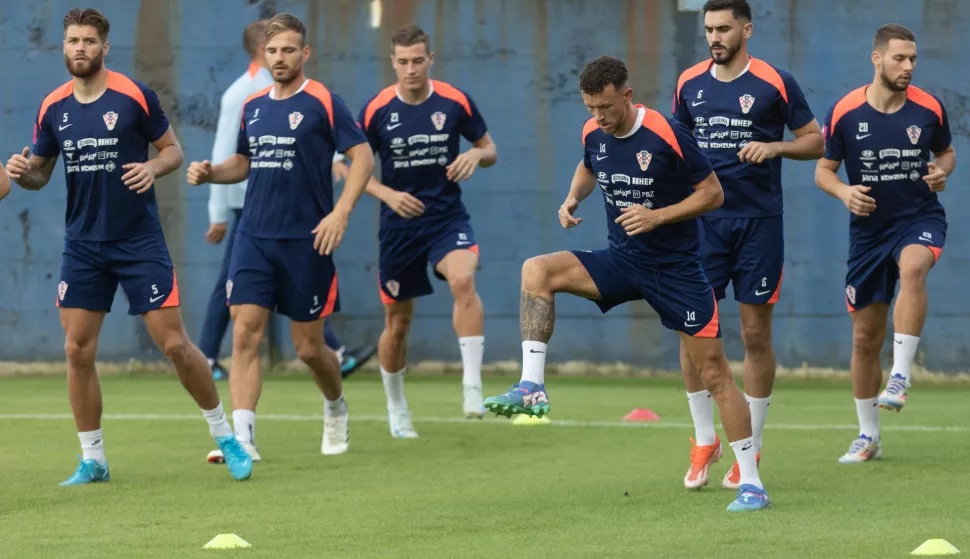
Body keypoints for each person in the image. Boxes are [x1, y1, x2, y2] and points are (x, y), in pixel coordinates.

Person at [483, 56, 770, 512]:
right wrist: (572, 198)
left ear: (627, 95)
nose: (599, 117)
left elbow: (713, 194)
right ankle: (531, 385)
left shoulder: (667, 133)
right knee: (537, 269)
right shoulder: (592, 132)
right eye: (591, 108)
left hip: (676, 272)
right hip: (622, 260)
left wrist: (658, 216)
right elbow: (589, 166)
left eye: (606, 107)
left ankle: (751, 481)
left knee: (714, 372)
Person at [3, 8, 252, 484]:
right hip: (83, 245)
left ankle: (225, 436)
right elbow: (40, 173)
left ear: (105, 47)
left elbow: (173, 151)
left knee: (176, 345)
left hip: (138, 241)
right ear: (64, 46)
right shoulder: (53, 106)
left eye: (90, 41)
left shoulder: (135, 96)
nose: (81, 48)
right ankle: (93, 459)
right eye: (73, 40)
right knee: (77, 349)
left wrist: (152, 169)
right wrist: (23, 171)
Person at [187, 13, 375, 460]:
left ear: (304, 53)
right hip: (254, 235)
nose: (280, 58)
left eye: (288, 50)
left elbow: (363, 157)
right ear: (263, 54)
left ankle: (335, 407)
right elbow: (243, 162)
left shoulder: (323, 101)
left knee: (309, 348)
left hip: (307, 241)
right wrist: (213, 173)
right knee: (245, 334)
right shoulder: (254, 105)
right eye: (272, 51)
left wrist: (340, 213)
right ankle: (243, 440)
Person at [671, 0, 824, 490]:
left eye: (723, 28)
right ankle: (703, 439)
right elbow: (676, 146)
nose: (714, 37)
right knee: (691, 331)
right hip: (703, 225)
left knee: (755, 334)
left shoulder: (776, 82)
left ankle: (750, 448)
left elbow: (815, 140)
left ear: (747, 29)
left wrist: (776, 146)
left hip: (759, 224)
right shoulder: (688, 83)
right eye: (708, 29)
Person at [815, 23, 955, 463]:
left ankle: (900, 375)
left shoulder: (929, 108)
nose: (909, 66)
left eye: (913, 59)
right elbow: (824, 170)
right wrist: (843, 192)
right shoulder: (844, 111)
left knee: (914, 268)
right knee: (863, 340)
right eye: (900, 58)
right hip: (869, 233)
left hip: (919, 218)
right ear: (877, 59)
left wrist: (941, 171)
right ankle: (868, 435)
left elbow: (946, 153)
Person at [357, 24, 497, 437]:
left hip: (446, 218)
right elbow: (347, 167)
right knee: (398, 326)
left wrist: (475, 154)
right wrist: (387, 194)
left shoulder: (454, 101)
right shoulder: (376, 109)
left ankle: (472, 383)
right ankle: (397, 405)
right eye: (403, 62)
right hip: (399, 228)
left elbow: (490, 149)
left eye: (418, 60)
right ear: (393, 62)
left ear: (430, 60)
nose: (411, 69)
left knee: (463, 279)